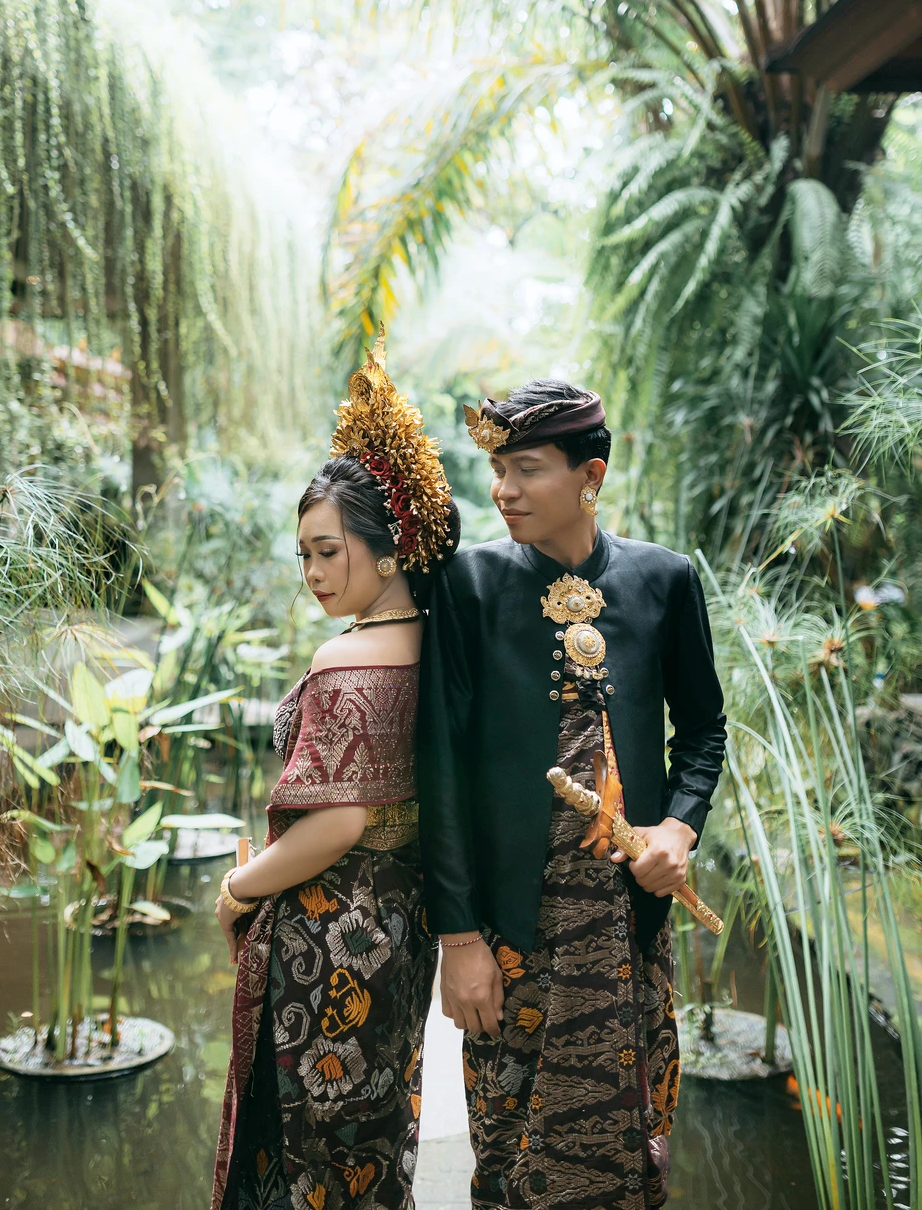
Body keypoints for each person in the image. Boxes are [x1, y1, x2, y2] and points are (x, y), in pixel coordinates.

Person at [417, 380, 726, 1210]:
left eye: (526, 469)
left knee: (629, 1144)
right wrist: (458, 939)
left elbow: (702, 733)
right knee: (507, 1151)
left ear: (589, 475)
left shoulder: (664, 579)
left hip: (629, 926)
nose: (502, 490)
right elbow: (439, 770)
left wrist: (677, 829)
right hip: (507, 932)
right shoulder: (466, 584)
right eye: (497, 470)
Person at [212, 332, 460, 1210]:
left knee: (312, 1139)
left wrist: (238, 889)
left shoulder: (346, 661)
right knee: (373, 1124)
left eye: (328, 550)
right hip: (401, 925)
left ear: (389, 549)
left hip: (330, 938)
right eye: (305, 555)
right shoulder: (435, 645)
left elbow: (337, 823)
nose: (314, 572)